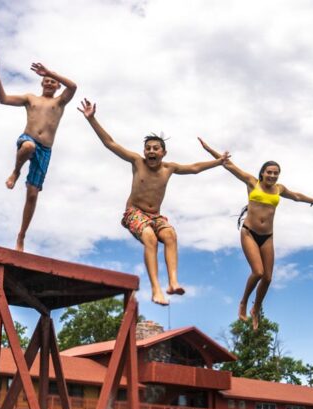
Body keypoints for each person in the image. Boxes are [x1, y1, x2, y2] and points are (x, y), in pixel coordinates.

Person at [79, 99, 229, 305]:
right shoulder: (136, 161)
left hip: (156, 215)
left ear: (163, 153)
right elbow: (110, 143)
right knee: (149, 237)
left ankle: (173, 282)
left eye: (155, 148)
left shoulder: (170, 168)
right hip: (134, 212)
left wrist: (219, 161)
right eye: (147, 148)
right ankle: (156, 289)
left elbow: (195, 167)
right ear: (143, 152)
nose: (151, 151)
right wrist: (92, 119)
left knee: (170, 235)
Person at [198, 138, 313, 329]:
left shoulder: (279, 189)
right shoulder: (251, 182)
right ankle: (244, 302)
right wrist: (209, 150)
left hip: (268, 236)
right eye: (269, 172)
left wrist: (311, 200)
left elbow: (296, 196)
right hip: (249, 233)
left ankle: (257, 309)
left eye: (276, 173)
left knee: (268, 277)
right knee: (258, 272)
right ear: (262, 173)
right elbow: (228, 164)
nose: (272, 176)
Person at [0, 55, 77, 250]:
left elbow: (73, 87)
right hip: (27, 139)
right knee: (29, 147)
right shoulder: (31, 99)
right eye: (46, 80)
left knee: (32, 195)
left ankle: (21, 236)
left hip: (45, 150)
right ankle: (16, 171)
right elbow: (3, 99)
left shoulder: (60, 102)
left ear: (57, 86)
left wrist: (50, 72)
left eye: (52, 81)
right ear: (41, 83)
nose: (48, 82)